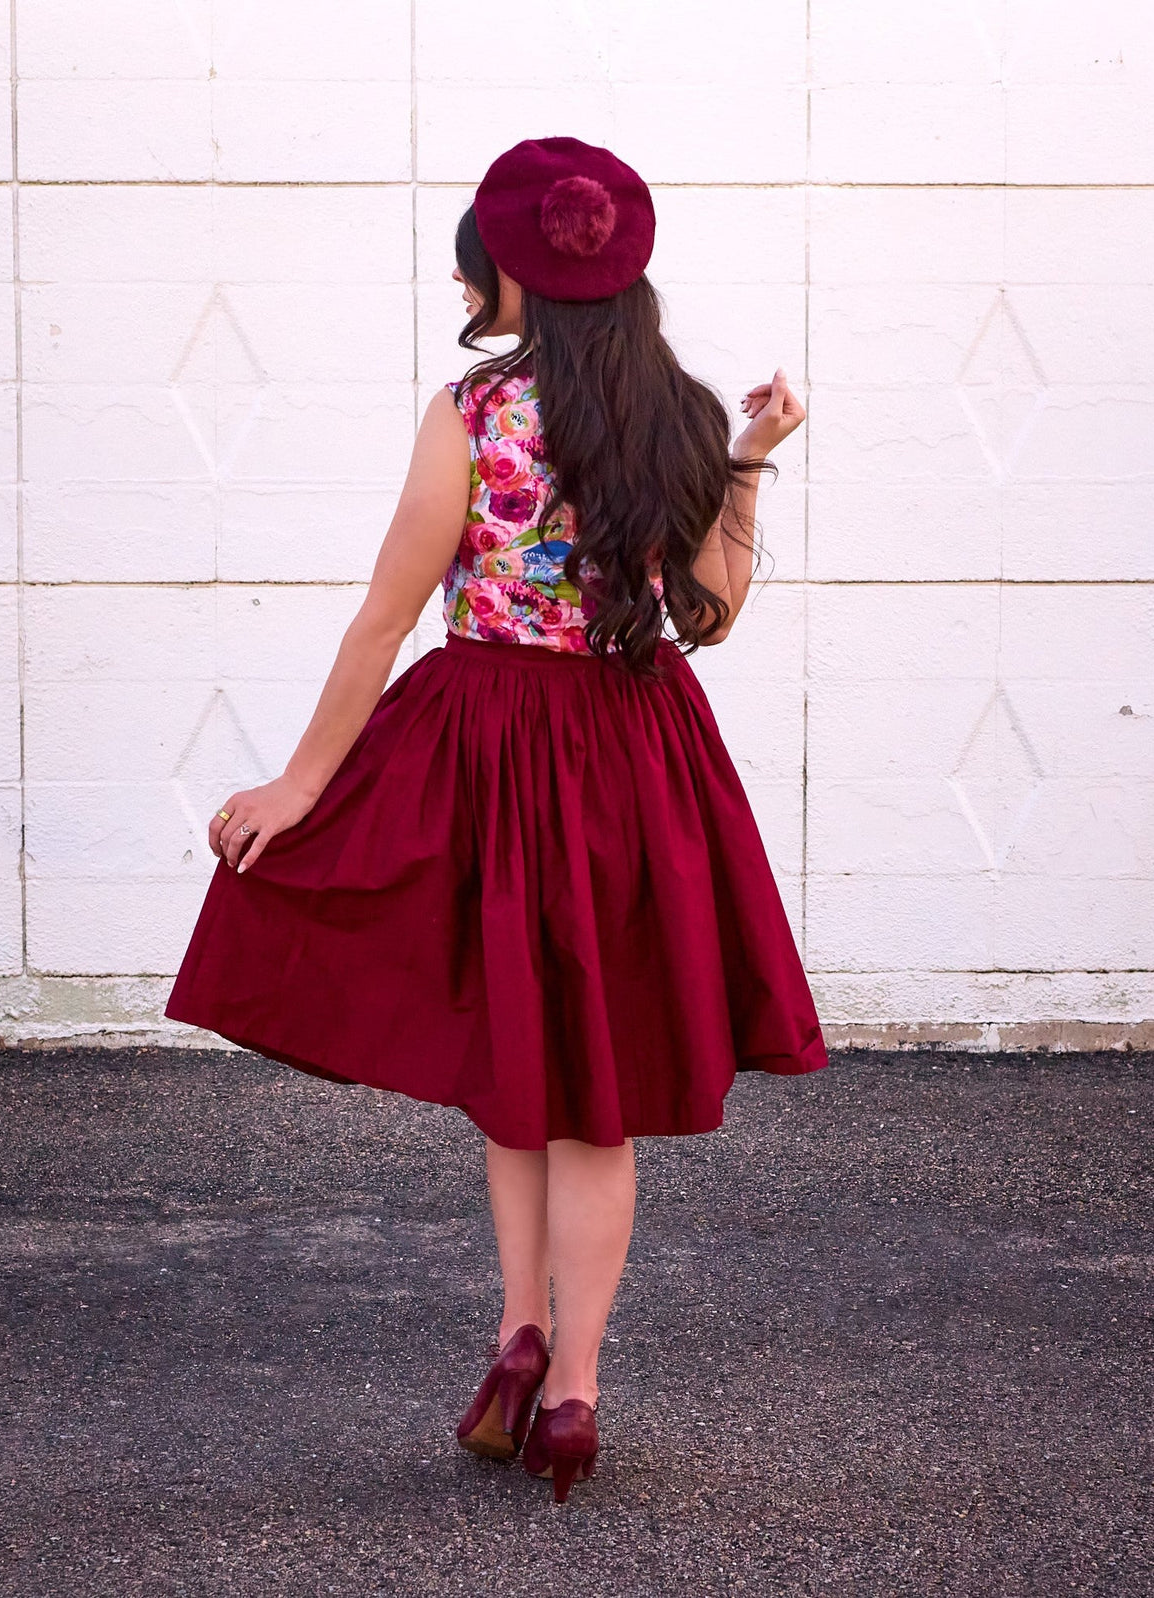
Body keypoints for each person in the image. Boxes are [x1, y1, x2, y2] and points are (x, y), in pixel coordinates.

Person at [163, 135, 828, 1504]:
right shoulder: (683, 416)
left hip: (491, 748)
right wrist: (751, 462)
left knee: (518, 1060)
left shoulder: (473, 413)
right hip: (635, 756)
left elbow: (386, 611)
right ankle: (566, 1384)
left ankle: (520, 1337)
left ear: (512, 269)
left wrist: (299, 786)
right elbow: (710, 614)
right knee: (595, 1091)